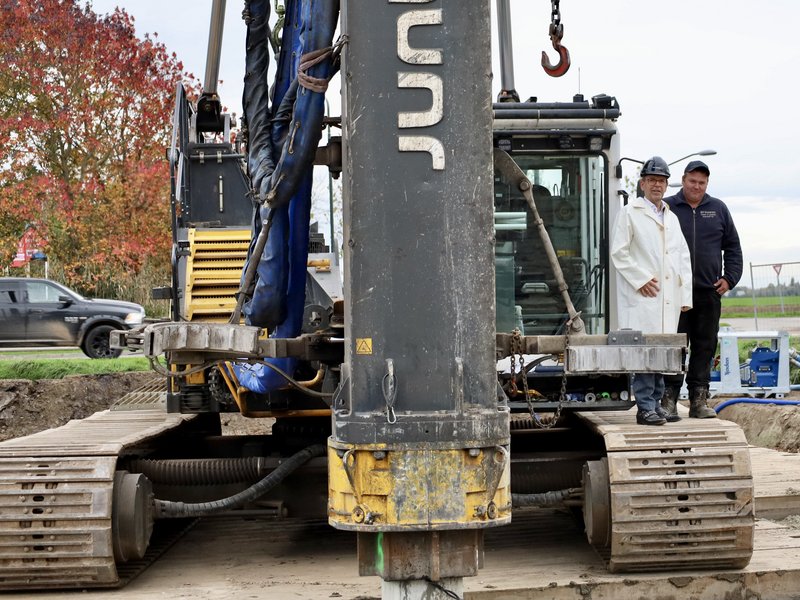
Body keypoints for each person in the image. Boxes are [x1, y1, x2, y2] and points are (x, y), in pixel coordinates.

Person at [611, 157, 693, 426]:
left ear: (667, 185)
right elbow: (619, 253)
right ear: (643, 184)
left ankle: (656, 404)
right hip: (643, 296)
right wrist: (641, 279)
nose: (657, 185)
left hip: (667, 299)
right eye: (652, 180)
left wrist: (685, 297)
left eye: (661, 181)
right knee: (645, 351)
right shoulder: (629, 213)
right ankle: (645, 406)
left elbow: (682, 258)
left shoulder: (671, 217)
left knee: (661, 352)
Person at [662, 161, 743, 418]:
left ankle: (699, 399)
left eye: (702, 183)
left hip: (708, 292)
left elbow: (733, 247)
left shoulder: (718, 209)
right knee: (673, 345)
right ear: (683, 180)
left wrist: (729, 278)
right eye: (692, 181)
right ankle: (669, 399)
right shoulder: (667, 207)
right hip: (675, 293)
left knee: (705, 345)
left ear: (707, 184)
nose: (696, 186)